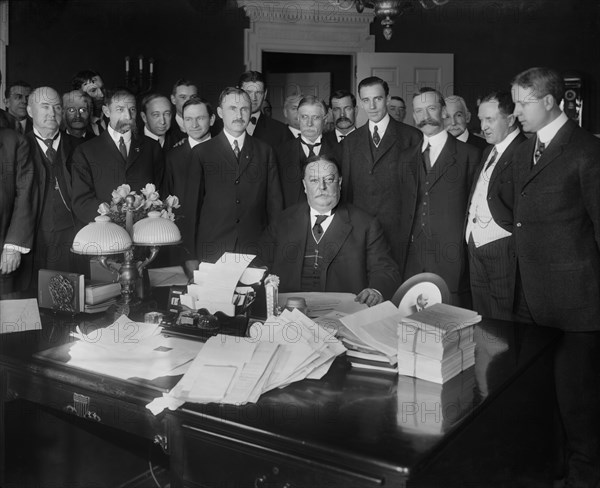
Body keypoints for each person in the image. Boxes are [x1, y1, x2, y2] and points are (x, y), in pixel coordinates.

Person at [511, 67, 600, 486]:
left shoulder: (585, 149)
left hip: (577, 303)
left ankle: (584, 479)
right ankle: (551, 472)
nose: (515, 112)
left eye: (522, 102)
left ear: (549, 101)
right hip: (534, 299)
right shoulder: (528, 147)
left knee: (579, 403)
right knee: (543, 399)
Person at [261, 155, 399, 306]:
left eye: (329, 179)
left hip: (344, 314)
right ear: (304, 185)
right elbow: (261, 266)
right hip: (288, 312)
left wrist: (375, 290)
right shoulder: (282, 222)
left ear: (339, 182)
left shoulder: (366, 224)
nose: (322, 187)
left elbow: (385, 270)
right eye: (314, 180)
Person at [397, 87, 479, 307]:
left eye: (431, 108)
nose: (425, 116)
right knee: (413, 328)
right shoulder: (405, 158)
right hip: (412, 262)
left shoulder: (469, 155)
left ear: (443, 111)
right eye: (419, 111)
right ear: (413, 116)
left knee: (450, 329)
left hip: (452, 262)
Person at [183, 87, 283, 263]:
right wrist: (190, 256)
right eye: (232, 109)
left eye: (244, 108)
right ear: (220, 112)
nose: (239, 114)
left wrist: (274, 247)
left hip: (255, 250)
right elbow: (192, 209)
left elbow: (274, 206)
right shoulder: (202, 153)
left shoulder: (265, 151)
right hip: (212, 249)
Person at [341, 76, 422, 267]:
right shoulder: (351, 141)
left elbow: (418, 192)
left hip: (399, 232)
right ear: (360, 102)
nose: (372, 106)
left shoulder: (411, 137)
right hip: (361, 231)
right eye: (366, 100)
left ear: (387, 98)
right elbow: (347, 192)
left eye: (377, 98)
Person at [465, 91, 526, 320]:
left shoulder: (524, 152)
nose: (483, 126)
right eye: (481, 119)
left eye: (490, 119)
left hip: (504, 248)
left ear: (510, 120)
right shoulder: (488, 150)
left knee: (504, 319)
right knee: (482, 317)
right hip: (475, 246)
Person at [71, 88, 164, 226]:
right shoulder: (85, 151)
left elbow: (161, 190)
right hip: (105, 235)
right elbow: (82, 201)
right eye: (120, 109)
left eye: (132, 109)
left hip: (145, 232)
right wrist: (114, 217)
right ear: (106, 111)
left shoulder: (152, 148)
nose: (128, 116)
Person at [25, 87, 77, 279]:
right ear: (30, 111)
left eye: (56, 107)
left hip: (73, 237)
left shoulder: (79, 148)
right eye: (45, 106)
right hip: (33, 239)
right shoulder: (18, 147)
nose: (51, 113)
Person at [276, 96, 340, 208]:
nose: (309, 123)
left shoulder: (340, 151)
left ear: (324, 120)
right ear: (299, 118)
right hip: (290, 219)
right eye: (304, 117)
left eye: (315, 117)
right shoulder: (279, 152)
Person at [0, 128, 34, 293]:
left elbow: (24, 193)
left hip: (3, 253)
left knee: (7, 315)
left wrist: (13, 245)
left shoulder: (14, 142)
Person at [163, 97, 215, 200]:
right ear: (183, 122)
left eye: (200, 118)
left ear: (211, 120)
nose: (194, 125)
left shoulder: (227, 154)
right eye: (188, 119)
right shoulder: (172, 158)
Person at [238, 70, 291, 149]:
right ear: (238, 92)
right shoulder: (218, 127)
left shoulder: (281, 131)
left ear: (265, 94)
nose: (253, 98)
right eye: (249, 92)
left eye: (258, 92)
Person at [72, 70, 105, 135]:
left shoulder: (113, 116)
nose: (102, 94)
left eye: (102, 88)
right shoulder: (74, 126)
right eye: (93, 90)